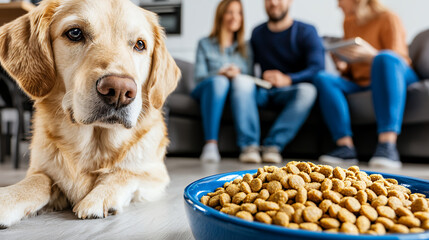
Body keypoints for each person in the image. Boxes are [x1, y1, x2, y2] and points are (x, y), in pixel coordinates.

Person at [314, 0, 419, 169]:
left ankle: (388, 146)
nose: (338, 5)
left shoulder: (388, 18)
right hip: (362, 82)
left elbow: (398, 59)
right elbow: (354, 71)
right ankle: (345, 147)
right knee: (323, 78)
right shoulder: (349, 22)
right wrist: (344, 66)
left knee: (383, 58)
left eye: (340, 0)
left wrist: (372, 54)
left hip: (396, 75)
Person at [234, 0, 323, 163]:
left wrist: (288, 79)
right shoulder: (257, 32)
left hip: (290, 91)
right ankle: (249, 146)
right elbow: (249, 66)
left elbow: (317, 67)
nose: (273, 3)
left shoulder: (306, 31)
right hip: (263, 90)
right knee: (241, 82)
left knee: (308, 91)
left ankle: (273, 145)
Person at [191, 0, 253, 162]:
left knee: (239, 82)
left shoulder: (246, 48)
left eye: (239, 13)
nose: (235, 17)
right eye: (230, 12)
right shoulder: (204, 44)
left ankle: (248, 146)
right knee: (219, 81)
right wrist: (220, 72)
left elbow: (250, 76)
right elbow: (199, 76)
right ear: (221, 15)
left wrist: (237, 73)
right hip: (207, 88)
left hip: (235, 93)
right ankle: (210, 144)